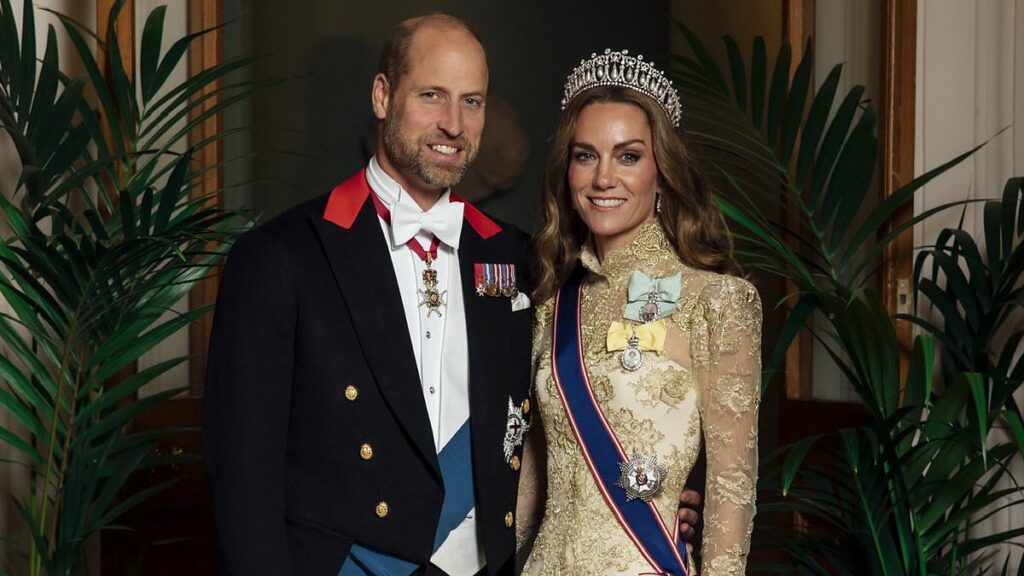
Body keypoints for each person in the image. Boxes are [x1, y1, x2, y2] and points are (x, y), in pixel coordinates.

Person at [203, 15, 533, 576]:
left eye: (471, 102)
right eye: (432, 96)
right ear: (383, 96)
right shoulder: (282, 258)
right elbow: (244, 480)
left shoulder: (517, 258)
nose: (453, 124)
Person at [519, 50, 762, 575]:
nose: (604, 177)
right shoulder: (550, 307)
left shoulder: (714, 301)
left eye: (627, 156)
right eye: (586, 156)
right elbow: (533, 480)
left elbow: (730, 488)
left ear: (662, 170)